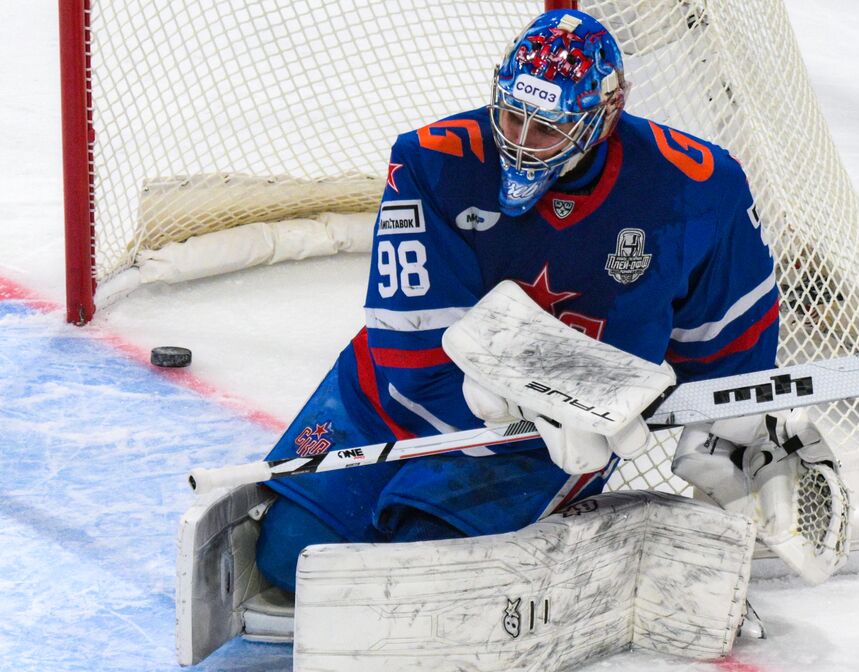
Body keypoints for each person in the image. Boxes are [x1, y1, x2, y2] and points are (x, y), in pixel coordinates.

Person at [249, 9, 812, 596]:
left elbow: (730, 336)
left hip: (547, 442)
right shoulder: (429, 161)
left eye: (545, 129)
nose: (519, 142)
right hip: (392, 400)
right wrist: (523, 389)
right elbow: (412, 348)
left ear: (605, 115)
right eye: (512, 116)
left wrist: (724, 429)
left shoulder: (697, 185)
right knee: (289, 556)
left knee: (417, 573)